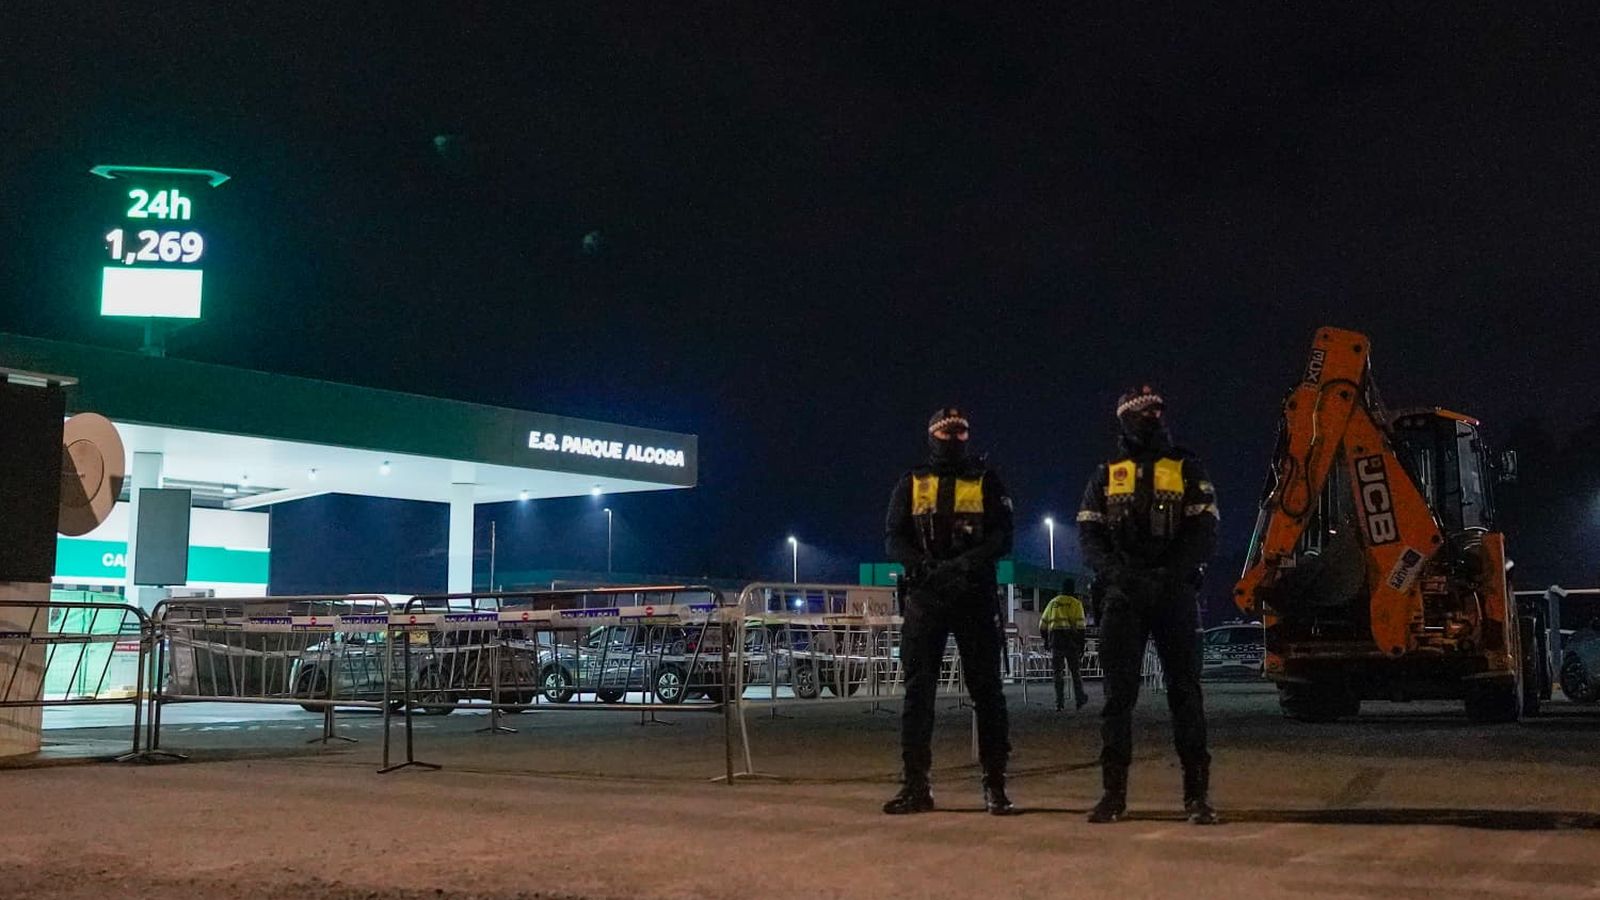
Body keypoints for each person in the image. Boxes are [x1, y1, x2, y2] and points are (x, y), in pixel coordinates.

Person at [1076, 386, 1220, 825]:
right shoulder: (1106, 474)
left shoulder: (1186, 466)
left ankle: (1196, 798)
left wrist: (1169, 574)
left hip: (1173, 594)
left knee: (1185, 693)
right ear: (1124, 418)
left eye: (1158, 408)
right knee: (1118, 699)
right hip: (1123, 596)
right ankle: (1113, 796)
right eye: (1142, 411)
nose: (1153, 416)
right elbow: (1089, 535)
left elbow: (1204, 531)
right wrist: (1117, 575)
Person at [882, 406, 1016, 815]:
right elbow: (894, 537)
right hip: (927, 596)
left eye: (960, 433)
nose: (954, 439)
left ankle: (996, 787)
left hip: (973, 594)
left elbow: (1002, 536)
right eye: (946, 432)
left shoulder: (986, 480)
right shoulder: (913, 481)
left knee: (987, 693)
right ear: (932, 436)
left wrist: (966, 564)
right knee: (918, 695)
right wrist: (922, 567)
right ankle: (916, 786)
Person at [1039, 580, 1088, 711]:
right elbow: (1081, 627)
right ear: (1072, 590)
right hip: (1071, 642)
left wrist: (1046, 641)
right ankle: (1079, 699)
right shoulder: (1076, 604)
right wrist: (1082, 646)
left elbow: (1042, 625)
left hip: (1056, 641)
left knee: (1057, 673)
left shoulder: (1053, 602)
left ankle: (1059, 703)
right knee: (1075, 672)